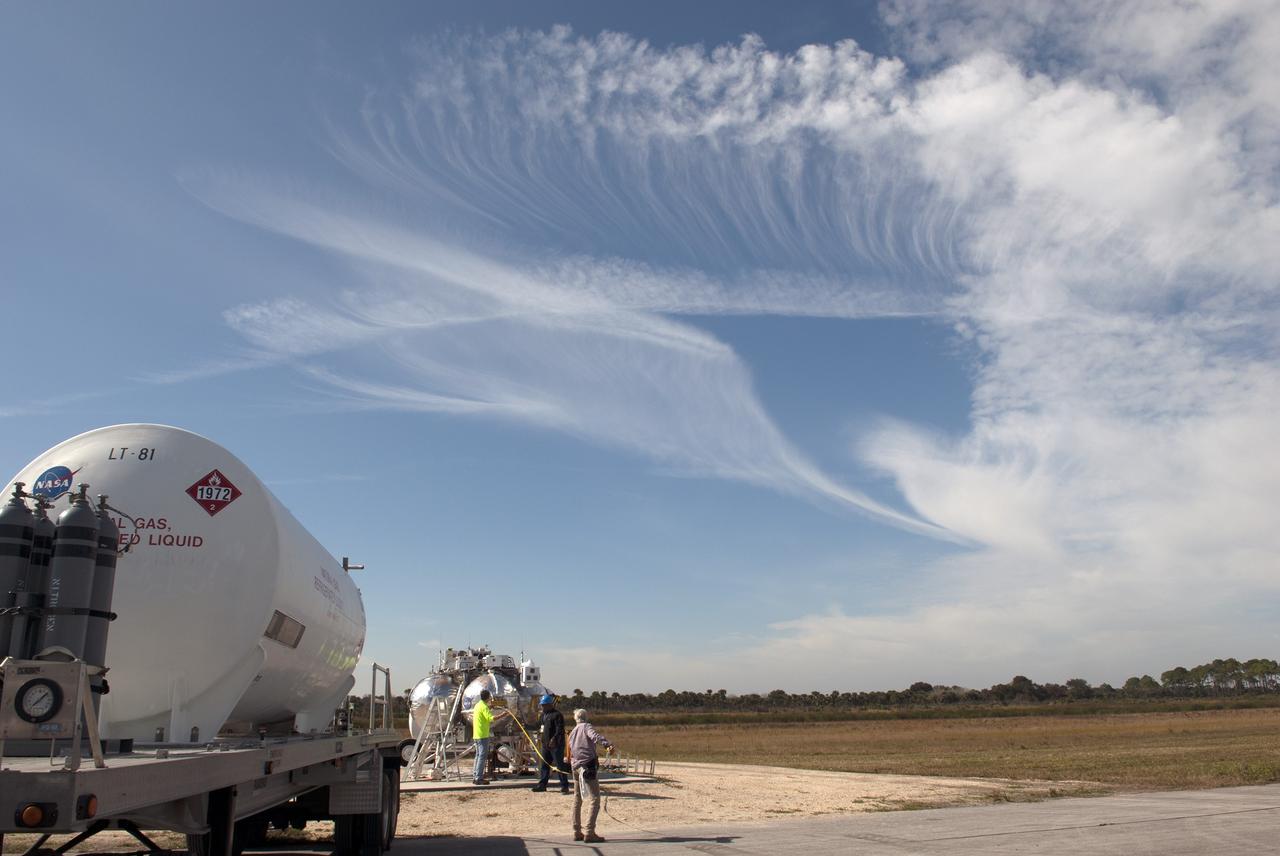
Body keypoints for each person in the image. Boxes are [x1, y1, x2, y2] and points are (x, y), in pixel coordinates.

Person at [568, 708, 613, 843]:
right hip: (587, 766)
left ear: (576, 719)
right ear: (586, 717)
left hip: (575, 766)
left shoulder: (573, 732)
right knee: (595, 799)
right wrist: (607, 745)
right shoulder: (586, 727)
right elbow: (595, 736)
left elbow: (569, 749)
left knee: (577, 798)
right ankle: (590, 831)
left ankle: (576, 831)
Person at [531, 694, 570, 793]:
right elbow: (537, 726)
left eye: (544, 705)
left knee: (559, 765)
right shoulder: (543, 715)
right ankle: (542, 785)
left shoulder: (557, 715)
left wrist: (554, 739)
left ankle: (564, 786)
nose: (542, 707)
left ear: (550, 704)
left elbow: (560, 729)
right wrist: (526, 726)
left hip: (556, 745)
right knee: (544, 765)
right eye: (542, 705)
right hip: (545, 745)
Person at [471, 689, 493, 785]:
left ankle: (475, 776)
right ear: (488, 697)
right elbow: (491, 719)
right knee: (482, 757)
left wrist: (490, 708)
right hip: (483, 735)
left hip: (476, 734)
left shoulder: (478, 705)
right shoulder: (484, 707)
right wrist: (504, 714)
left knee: (478, 756)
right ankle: (479, 778)